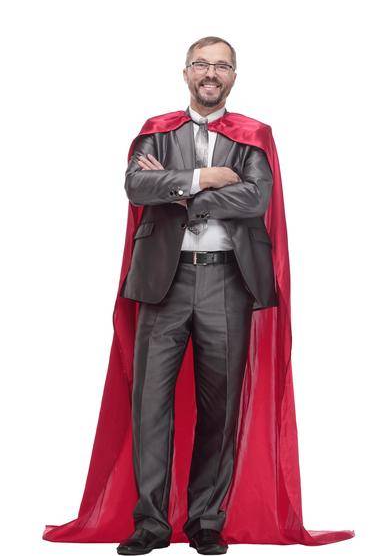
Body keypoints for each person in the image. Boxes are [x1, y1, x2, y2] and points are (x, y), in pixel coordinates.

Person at [45, 36, 352, 555]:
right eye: (202, 65)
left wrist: (177, 190)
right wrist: (204, 178)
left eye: (222, 66)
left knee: (220, 405)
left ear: (234, 75)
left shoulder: (254, 135)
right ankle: (151, 522)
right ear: (186, 72)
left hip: (227, 281)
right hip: (163, 281)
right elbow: (135, 187)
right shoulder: (156, 131)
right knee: (150, 404)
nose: (211, 73)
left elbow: (257, 197)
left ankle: (207, 520)